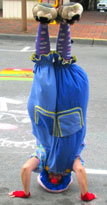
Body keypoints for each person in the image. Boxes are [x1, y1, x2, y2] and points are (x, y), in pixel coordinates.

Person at [9, 2, 96, 202]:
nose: (56, 176)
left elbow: (80, 171)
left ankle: (64, 20)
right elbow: (25, 168)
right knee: (44, 65)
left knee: (62, 66)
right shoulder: (43, 157)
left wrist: (85, 194)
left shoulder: (70, 161)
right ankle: (44, 20)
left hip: (69, 111)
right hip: (45, 112)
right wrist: (25, 192)